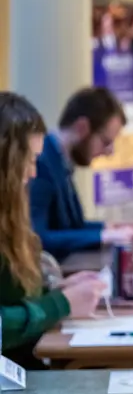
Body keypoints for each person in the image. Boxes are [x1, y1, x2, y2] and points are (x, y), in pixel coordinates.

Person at [0, 92, 107, 369]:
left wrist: (53, 289)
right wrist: (61, 303)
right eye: (31, 160)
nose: (33, 172)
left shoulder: (8, 218)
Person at [29, 87, 133, 260]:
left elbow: (70, 226)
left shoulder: (59, 160)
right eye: (106, 142)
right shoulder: (41, 163)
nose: (109, 152)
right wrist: (104, 236)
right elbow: (37, 238)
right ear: (82, 127)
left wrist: (108, 227)